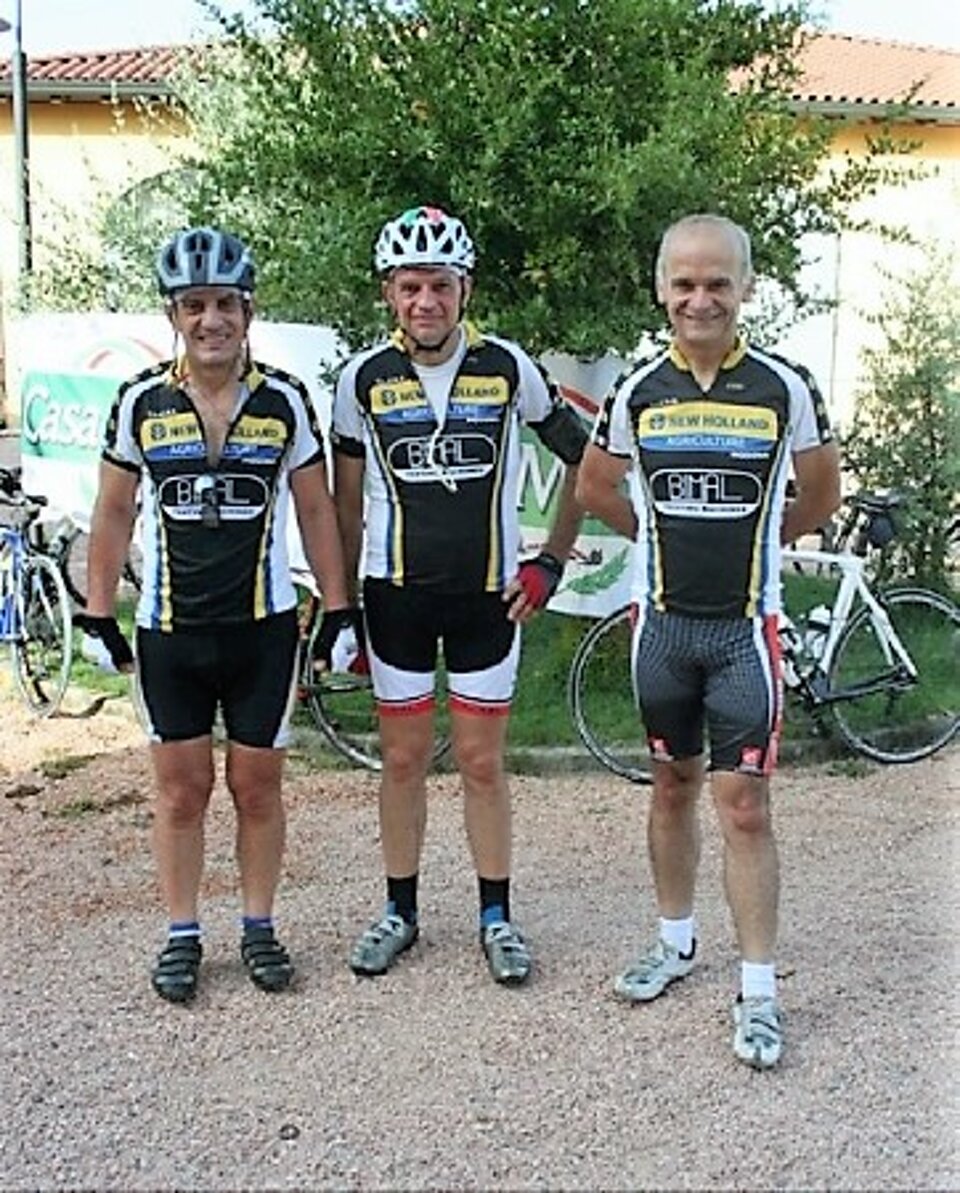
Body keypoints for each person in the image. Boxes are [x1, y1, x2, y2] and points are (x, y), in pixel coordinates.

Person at [575, 213, 841, 1068]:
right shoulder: (638, 389)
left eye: (717, 283)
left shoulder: (783, 386)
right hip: (660, 629)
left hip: (742, 634)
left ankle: (759, 991)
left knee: (746, 805)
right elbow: (595, 487)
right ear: (663, 289)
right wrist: (654, 535)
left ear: (745, 288)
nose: (701, 299)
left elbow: (822, 494)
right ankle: (675, 941)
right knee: (670, 787)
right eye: (685, 283)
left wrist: (760, 540)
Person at [78, 227, 354, 1004]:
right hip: (171, 633)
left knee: (257, 787)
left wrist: (338, 609)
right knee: (181, 790)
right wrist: (97, 611)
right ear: (173, 314)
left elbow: (315, 509)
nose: (211, 320)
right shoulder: (140, 400)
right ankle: (181, 932)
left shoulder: (284, 399)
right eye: (194, 305)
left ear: (248, 311)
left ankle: (259, 925)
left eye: (226, 304)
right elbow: (113, 511)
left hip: (261, 632)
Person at [332, 205, 587, 985]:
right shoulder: (362, 379)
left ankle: (496, 916)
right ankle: (399, 911)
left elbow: (586, 460)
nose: (426, 302)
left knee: (481, 761)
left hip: (487, 599)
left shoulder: (507, 366)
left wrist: (551, 561)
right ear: (389, 293)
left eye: (440, 285)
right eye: (410, 286)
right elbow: (343, 503)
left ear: (464, 288)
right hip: (396, 597)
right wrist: (339, 610)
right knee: (402, 760)